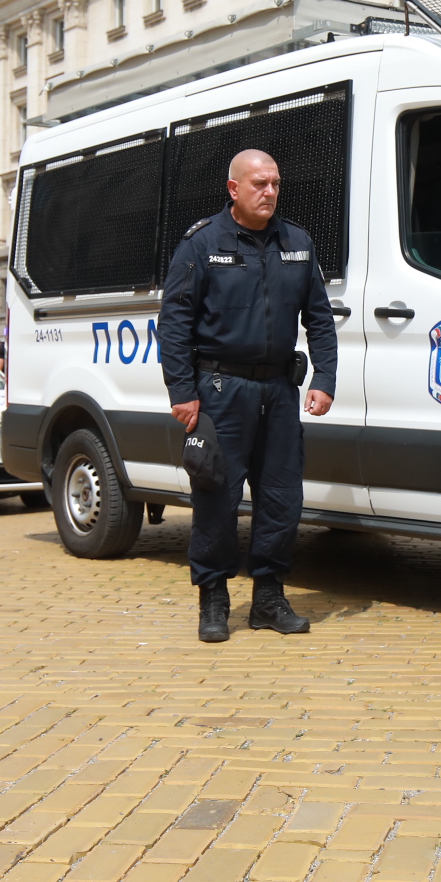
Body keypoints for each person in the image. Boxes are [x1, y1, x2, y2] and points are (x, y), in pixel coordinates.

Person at [158, 148, 338, 642]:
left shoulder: (297, 242)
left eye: (276, 183)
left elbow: (319, 318)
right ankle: (213, 600)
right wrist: (182, 390)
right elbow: (173, 323)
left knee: (281, 497)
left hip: (279, 390)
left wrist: (324, 379)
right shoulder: (202, 244)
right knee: (216, 496)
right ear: (234, 189)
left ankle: (268, 599)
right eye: (260, 184)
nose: (270, 192)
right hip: (220, 390)